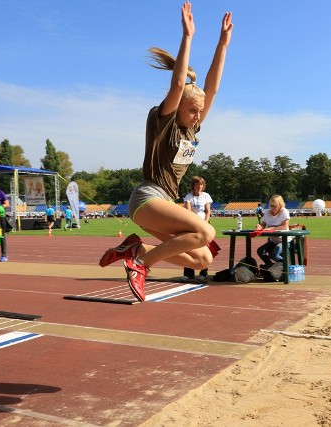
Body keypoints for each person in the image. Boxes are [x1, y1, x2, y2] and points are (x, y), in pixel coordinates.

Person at [98, 2, 232, 302]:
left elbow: (211, 89)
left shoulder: (191, 129)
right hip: (147, 198)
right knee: (206, 232)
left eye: (200, 112)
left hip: (163, 204)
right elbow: (176, 82)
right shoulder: (163, 122)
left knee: (202, 259)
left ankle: (135, 250)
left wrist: (222, 44)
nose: (198, 116)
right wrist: (188, 36)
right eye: (193, 110)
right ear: (178, 107)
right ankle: (141, 265)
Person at [182, 176, 213, 282]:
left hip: (203, 225)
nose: (199, 186)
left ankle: (203, 273)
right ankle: (188, 273)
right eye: (197, 184)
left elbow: (208, 211)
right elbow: (188, 211)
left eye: (201, 184)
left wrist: (205, 224)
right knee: (189, 249)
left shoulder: (206, 196)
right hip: (192, 225)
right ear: (193, 185)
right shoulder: (188, 197)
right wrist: (194, 224)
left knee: (204, 249)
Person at [255, 195, 291, 268]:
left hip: (284, 240)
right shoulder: (267, 213)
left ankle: (287, 266)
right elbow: (263, 225)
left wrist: (271, 229)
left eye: (274, 206)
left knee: (273, 254)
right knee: (260, 251)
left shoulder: (284, 212)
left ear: (280, 205)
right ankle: (270, 265)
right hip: (273, 241)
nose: (272, 208)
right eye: (271, 205)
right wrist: (259, 227)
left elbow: (284, 227)